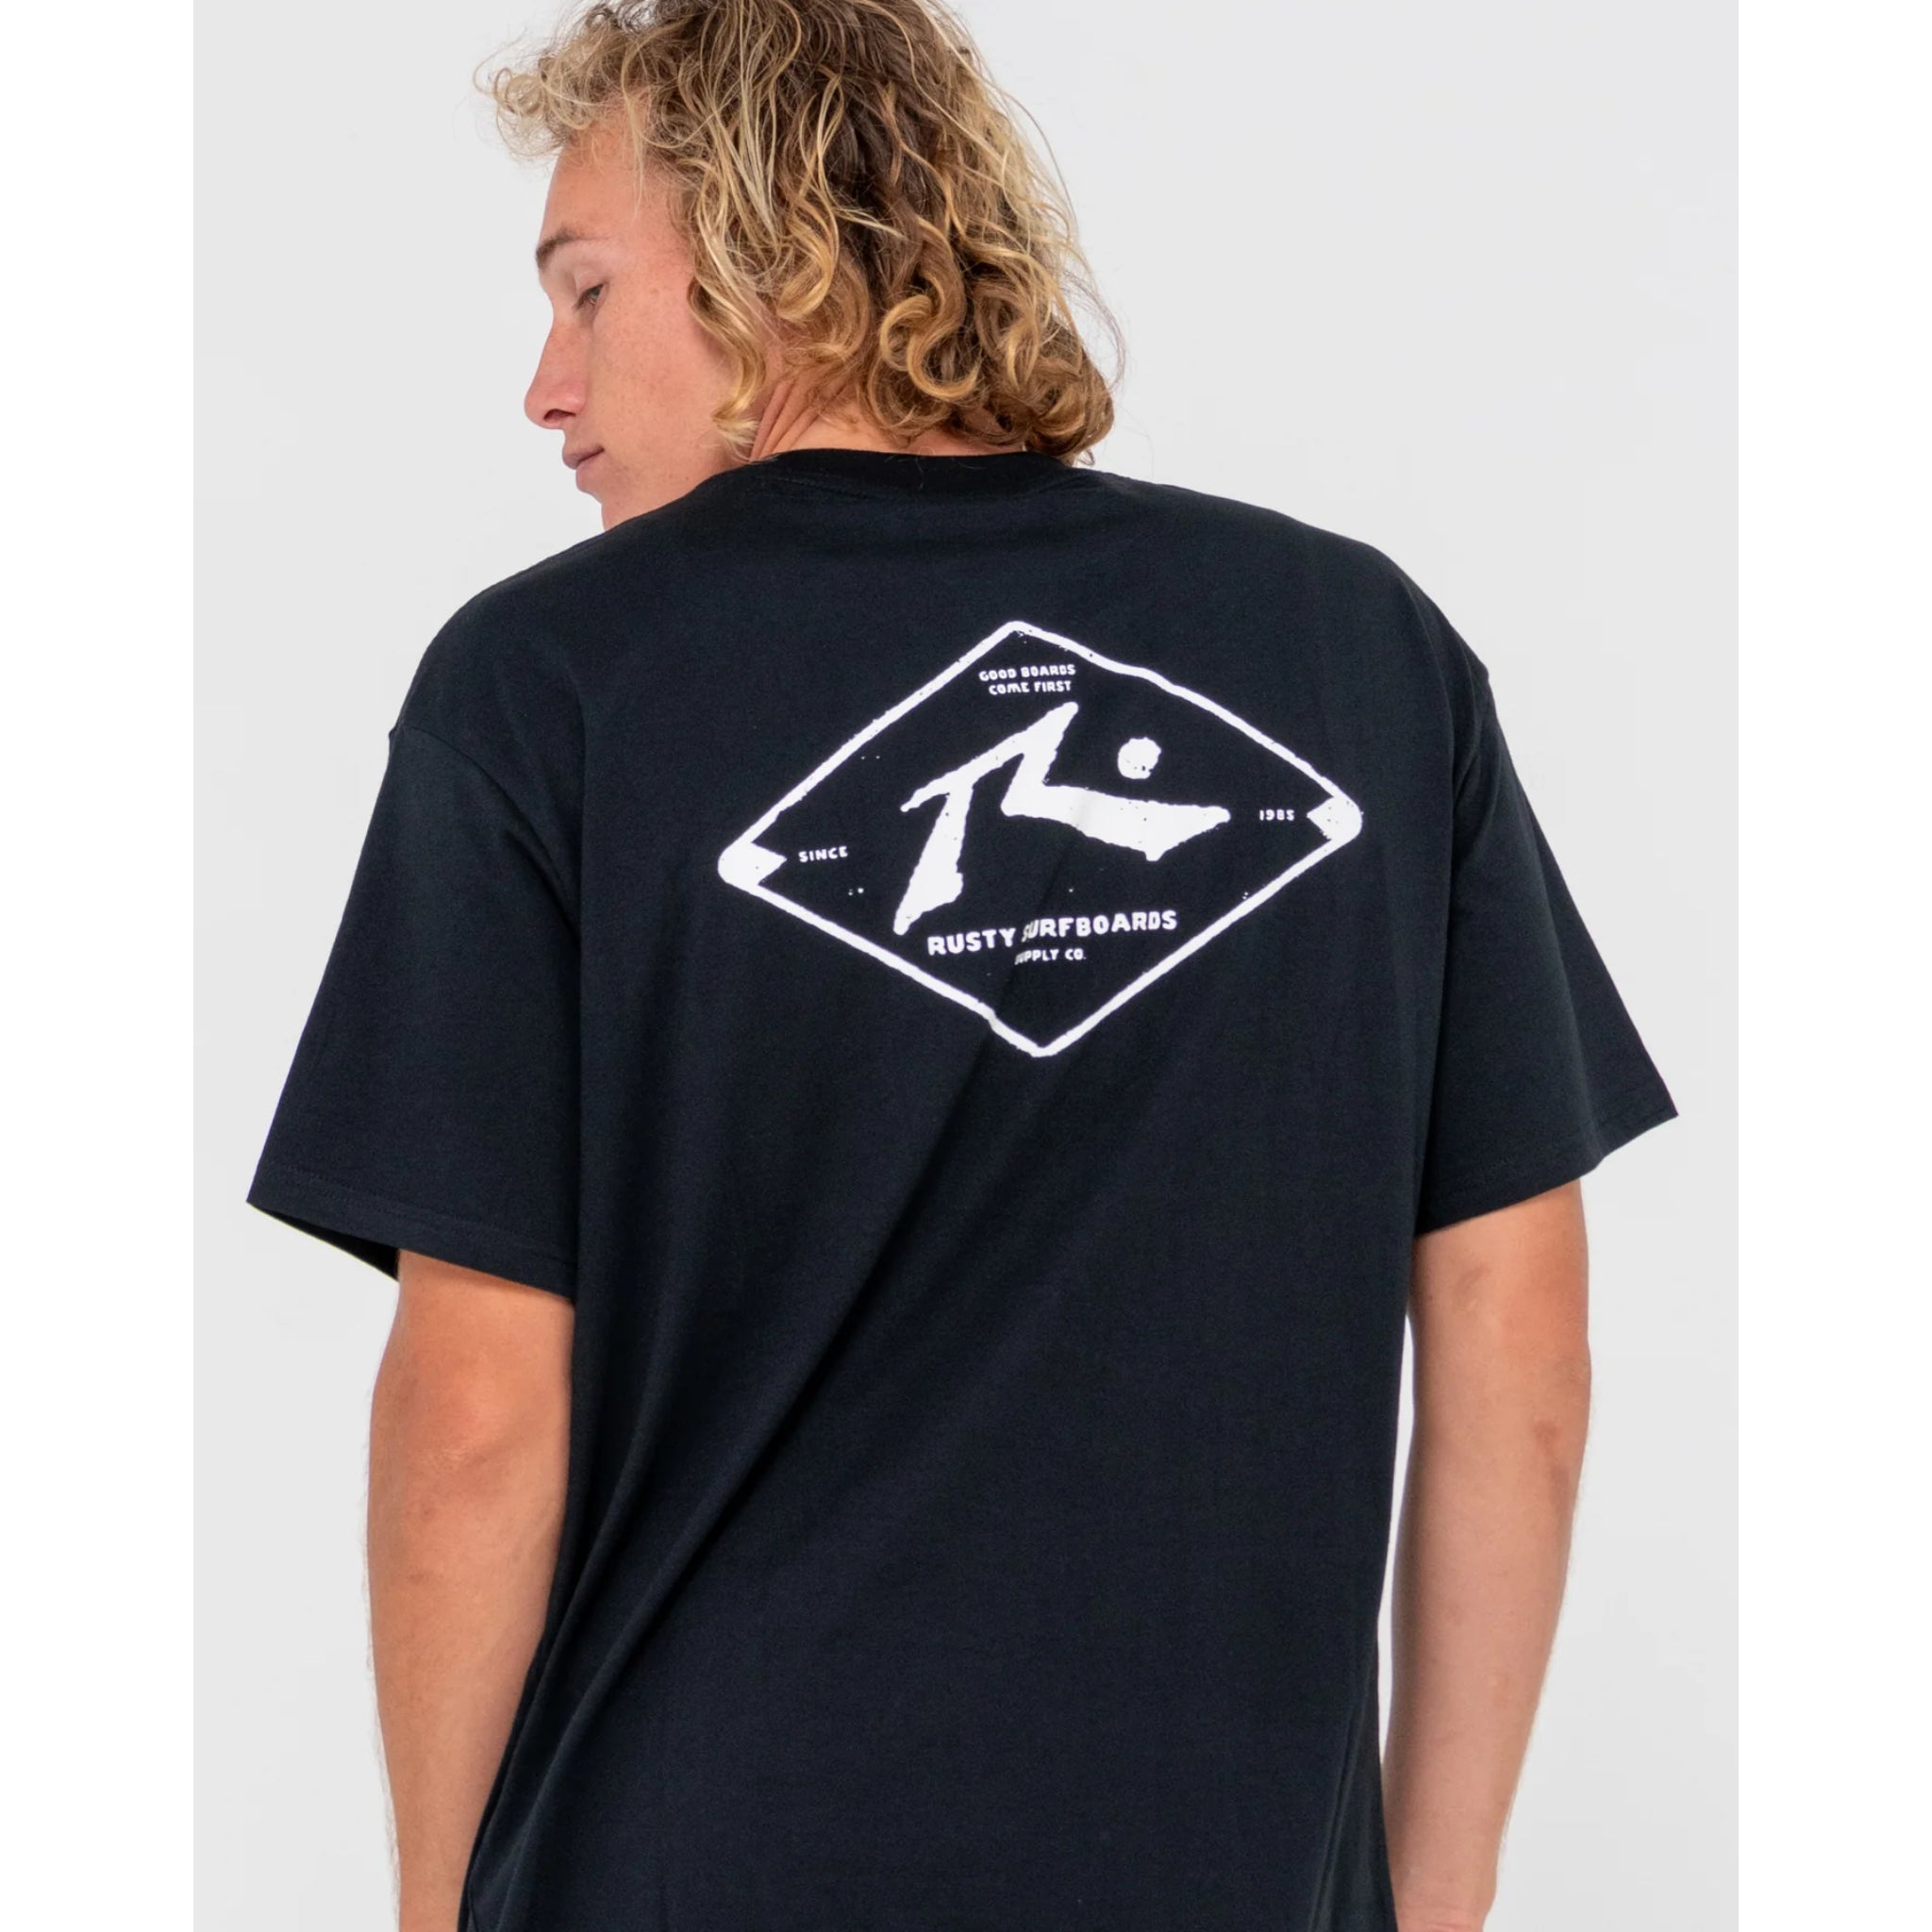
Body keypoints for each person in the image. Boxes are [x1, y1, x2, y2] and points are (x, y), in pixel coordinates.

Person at [245, 2, 1677, 1928]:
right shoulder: (1364, 656)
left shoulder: (547, 685)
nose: (542, 386)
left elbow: (475, 1421)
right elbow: (1521, 1353)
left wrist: (439, 1909)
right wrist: (1427, 1898)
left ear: (767, 254)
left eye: (584, 291)